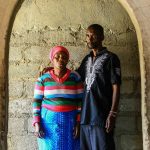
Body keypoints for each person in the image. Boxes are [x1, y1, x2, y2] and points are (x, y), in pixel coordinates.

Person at [77, 24, 121, 150]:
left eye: (93, 36)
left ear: (102, 37)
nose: (89, 39)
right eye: (87, 35)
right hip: (85, 118)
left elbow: (116, 87)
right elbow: (75, 77)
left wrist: (112, 114)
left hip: (101, 117)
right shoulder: (87, 59)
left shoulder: (112, 58)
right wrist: (52, 70)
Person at [32, 46, 83, 150]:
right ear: (52, 59)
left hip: (70, 122)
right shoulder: (43, 79)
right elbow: (37, 102)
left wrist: (78, 122)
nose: (60, 59)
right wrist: (37, 123)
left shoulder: (75, 77)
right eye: (57, 57)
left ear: (68, 60)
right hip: (47, 123)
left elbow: (80, 101)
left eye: (64, 57)